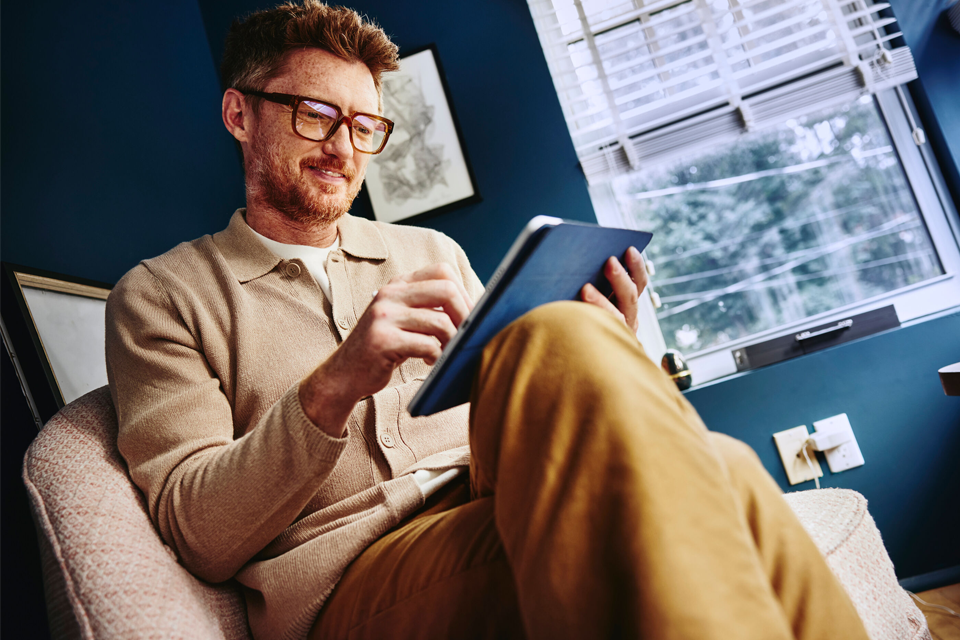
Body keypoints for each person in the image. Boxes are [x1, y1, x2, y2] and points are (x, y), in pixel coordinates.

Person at [105, 2, 871, 639]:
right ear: (240, 113)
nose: (344, 148)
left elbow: (517, 400)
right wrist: (337, 384)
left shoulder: (426, 250)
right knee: (719, 469)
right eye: (315, 116)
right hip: (354, 580)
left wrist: (613, 343)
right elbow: (196, 532)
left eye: (367, 126)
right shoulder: (160, 296)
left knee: (700, 442)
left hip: (502, 492)